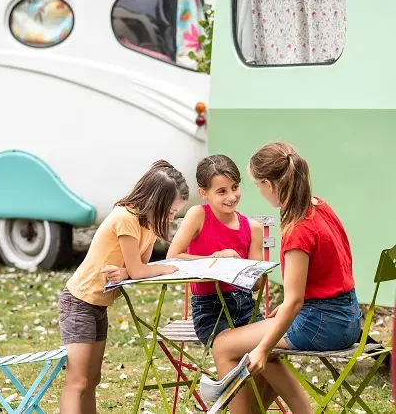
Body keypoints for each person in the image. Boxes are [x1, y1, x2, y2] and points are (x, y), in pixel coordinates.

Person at [212, 142, 362, 414]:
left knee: (224, 345)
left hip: (323, 324)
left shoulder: (298, 230)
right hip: (349, 317)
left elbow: (293, 301)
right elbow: (333, 270)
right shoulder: (319, 207)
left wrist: (262, 348)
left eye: (257, 185)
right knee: (265, 342)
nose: (258, 191)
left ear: (269, 184)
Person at [58, 160, 189, 414]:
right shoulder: (126, 217)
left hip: (98, 304)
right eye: (171, 212)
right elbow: (144, 270)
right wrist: (161, 267)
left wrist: (127, 271)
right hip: (79, 303)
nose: (172, 218)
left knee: (92, 380)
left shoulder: (147, 224)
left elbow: (138, 266)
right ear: (156, 202)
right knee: (78, 381)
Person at [167, 154, 277, 411]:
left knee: (274, 358)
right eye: (222, 191)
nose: (231, 196)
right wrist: (216, 259)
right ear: (204, 193)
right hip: (210, 309)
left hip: (246, 306)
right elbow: (174, 256)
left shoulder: (253, 228)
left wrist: (244, 266)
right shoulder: (198, 215)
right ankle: (240, 405)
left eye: (235, 188)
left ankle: (247, 409)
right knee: (239, 361)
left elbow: (258, 285)